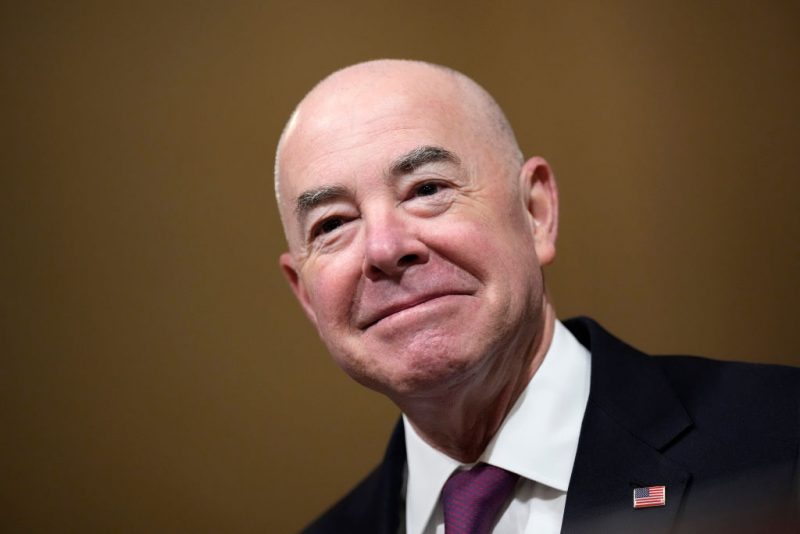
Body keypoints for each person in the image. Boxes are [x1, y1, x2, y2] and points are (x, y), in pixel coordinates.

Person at [274, 60, 798, 534]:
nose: (385, 248)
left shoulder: (780, 442)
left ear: (536, 212)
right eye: (334, 223)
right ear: (306, 297)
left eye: (427, 189)